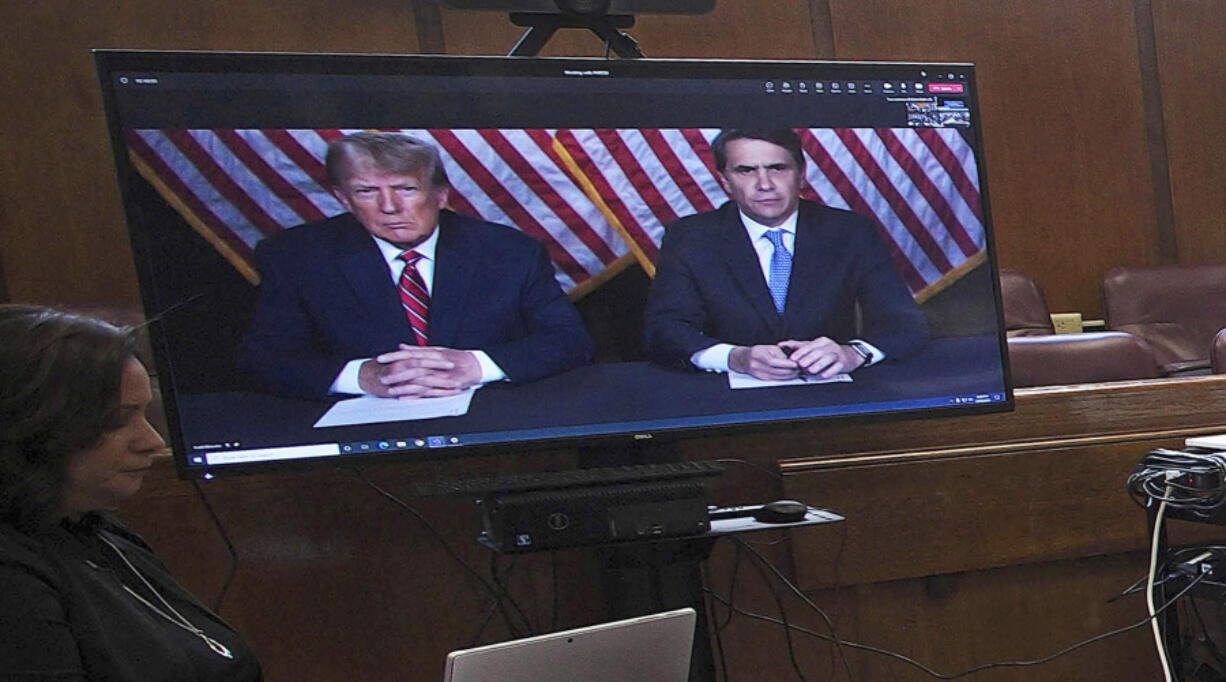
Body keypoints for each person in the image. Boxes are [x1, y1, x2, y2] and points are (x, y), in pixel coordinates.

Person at [0, 306, 369, 682]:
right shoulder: (12, 571)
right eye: (116, 422)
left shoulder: (97, 534)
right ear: (29, 428)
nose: (153, 444)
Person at [239, 132, 594, 401]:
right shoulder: (296, 257)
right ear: (342, 199)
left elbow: (569, 340)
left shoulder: (511, 252)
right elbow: (265, 358)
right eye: (366, 192)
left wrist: (475, 365)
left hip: (487, 421)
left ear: (440, 195)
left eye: (406, 188)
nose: (389, 206)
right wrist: (361, 376)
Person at [643, 128, 929, 381]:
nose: (764, 184)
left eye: (778, 168)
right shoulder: (689, 237)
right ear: (725, 181)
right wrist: (734, 357)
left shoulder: (851, 231)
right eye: (746, 170)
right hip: (726, 400)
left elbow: (904, 322)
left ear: (801, 174)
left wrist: (854, 353)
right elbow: (664, 329)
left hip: (831, 395)